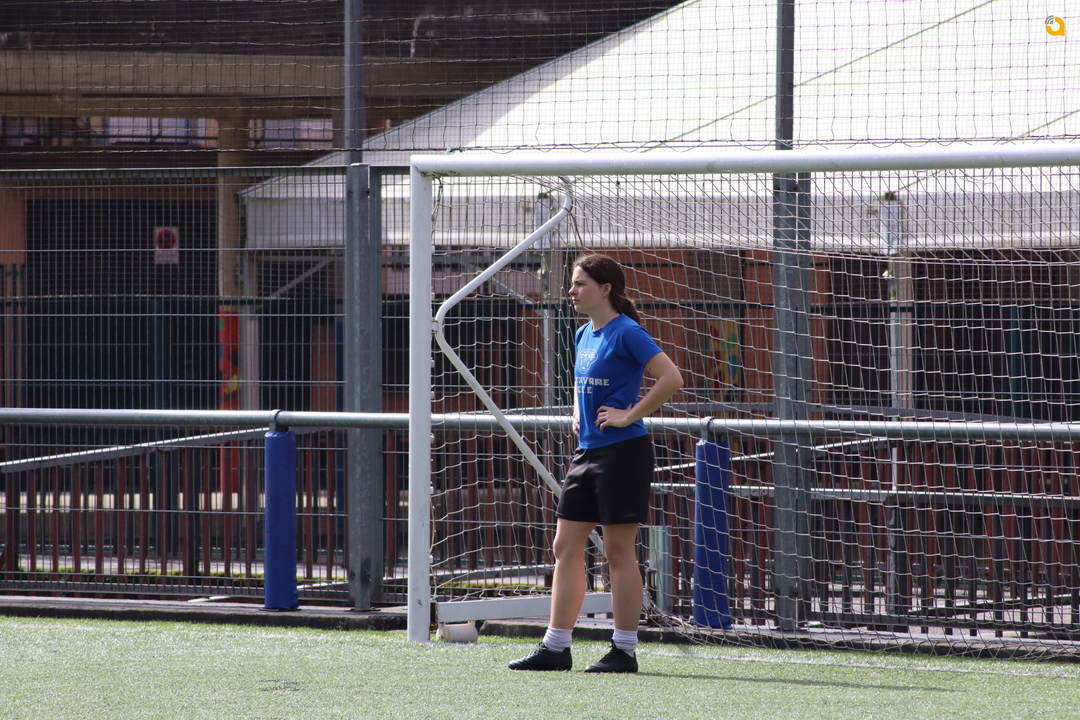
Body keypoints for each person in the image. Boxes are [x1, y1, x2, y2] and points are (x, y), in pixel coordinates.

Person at [508, 253, 683, 674]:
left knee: (618, 553)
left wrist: (628, 414)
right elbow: (579, 380)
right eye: (572, 283)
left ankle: (624, 650)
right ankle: (556, 648)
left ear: (606, 289)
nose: (571, 291)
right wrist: (576, 410)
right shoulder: (583, 333)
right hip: (587, 452)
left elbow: (671, 378)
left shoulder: (628, 331)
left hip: (624, 454)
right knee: (564, 547)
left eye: (580, 283)